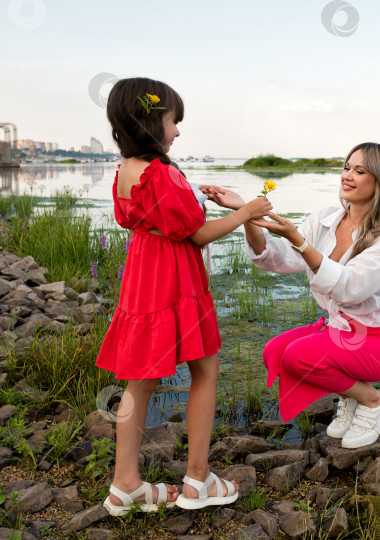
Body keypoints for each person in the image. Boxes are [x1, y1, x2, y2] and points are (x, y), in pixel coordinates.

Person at [95, 77, 273, 515]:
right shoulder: (163, 173)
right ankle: (197, 479)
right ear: (151, 120)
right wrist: (247, 211)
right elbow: (196, 235)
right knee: (205, 367)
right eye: (174, 121)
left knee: (139, 379)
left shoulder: (125, 171)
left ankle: (125, 484)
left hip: (143, 278)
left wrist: (193, 193)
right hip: (175, 279)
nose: (177, 131)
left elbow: (154, 219)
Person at [202, 142, 380, 448]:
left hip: (378, 340)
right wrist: (245, 213)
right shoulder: (325, 218)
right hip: (340, 331)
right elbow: (277, 257)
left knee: (298, 356)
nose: (347, 176)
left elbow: (351, 289)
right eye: (346, 167)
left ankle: (372, 401)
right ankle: (350, 396)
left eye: (359, 171)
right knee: (275, 350)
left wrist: (298, 238)